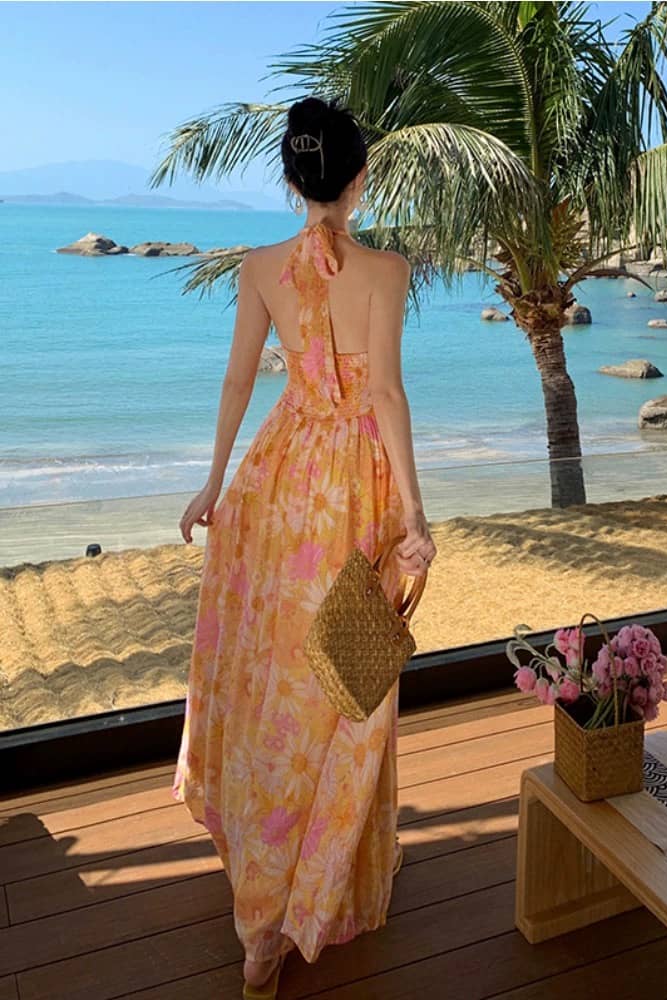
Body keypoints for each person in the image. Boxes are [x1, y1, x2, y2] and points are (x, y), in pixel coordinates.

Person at [173, 94, 437, 999]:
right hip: (354, 490)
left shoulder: (258, 267)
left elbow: (239, 378)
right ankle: (315, 890)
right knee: (349, 683)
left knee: (281, 683)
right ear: (359, 179)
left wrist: (214, 483)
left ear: (293, 183)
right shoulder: (388, 270)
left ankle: (265, 924)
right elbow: (387, 396)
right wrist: (415, 515)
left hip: (280, 481)